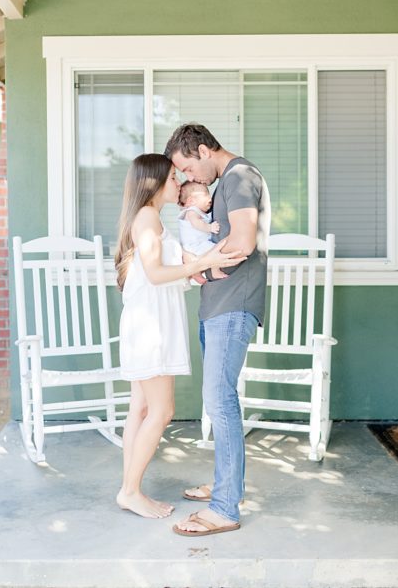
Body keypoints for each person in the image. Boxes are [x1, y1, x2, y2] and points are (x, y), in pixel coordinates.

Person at [114, 153, 246, 519]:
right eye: (174, 178)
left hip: (151, 320)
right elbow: (156, 274)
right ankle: (129, 491)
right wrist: (202, 263)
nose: (181, 183)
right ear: (155, 183)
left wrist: (197, 267)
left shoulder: (151, 219)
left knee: (140, 408)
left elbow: (165, 270)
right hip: (150, 326)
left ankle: (131, 487)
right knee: (161, 409)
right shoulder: (147, 218)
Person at [163, 124, 271, 537]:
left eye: (187, 167)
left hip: (233, 305)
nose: (188, 177)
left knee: (219, 400)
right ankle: (227, 485)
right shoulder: (227, 183)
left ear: (205, 150)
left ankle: (225, 506)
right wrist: (202, 267)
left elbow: (242, 241)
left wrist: (198, 265)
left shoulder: (240, 177)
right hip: (218, 305)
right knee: (218, 401)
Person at [177, 180, 227, 279]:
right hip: (195, 245)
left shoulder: (199, 211)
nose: (209, 198)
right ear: (191, 201)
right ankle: (215, 271)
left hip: (197, 245)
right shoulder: (192, 211)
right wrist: (210, 227)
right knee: (215, 250)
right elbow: (197, 224)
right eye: (205, 194)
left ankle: (196, 273)